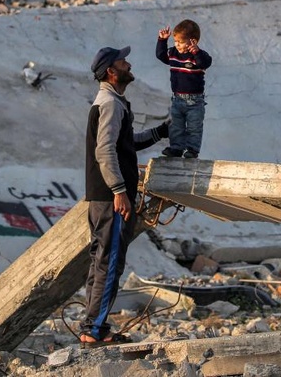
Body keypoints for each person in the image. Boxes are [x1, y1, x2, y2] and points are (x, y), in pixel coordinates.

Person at [81, 46, 169, 348]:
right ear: (111, 71)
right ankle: (93, 330)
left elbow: (126, 144)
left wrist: (161, 132)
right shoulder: (110, 104)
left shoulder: (112, 102)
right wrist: (120, 191)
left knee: (100, 262)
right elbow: (104, 151)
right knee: (110, 263)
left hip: (100, 198)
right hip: (110, 199)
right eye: (122, 61)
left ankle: (93, 326)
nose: (129, 63)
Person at [156, 19, 213, 159]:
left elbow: (205, 63)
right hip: (177, 99)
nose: (177, 45)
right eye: (175, 41)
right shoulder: (173, 53)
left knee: (194, 127)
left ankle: (192, 150)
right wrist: (162, 40)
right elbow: (160, 55)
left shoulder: (199, 56)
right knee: (176, 126)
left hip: (195, 102)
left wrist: (196, 52)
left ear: (193, 41)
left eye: (180, 42)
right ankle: (176, 148)